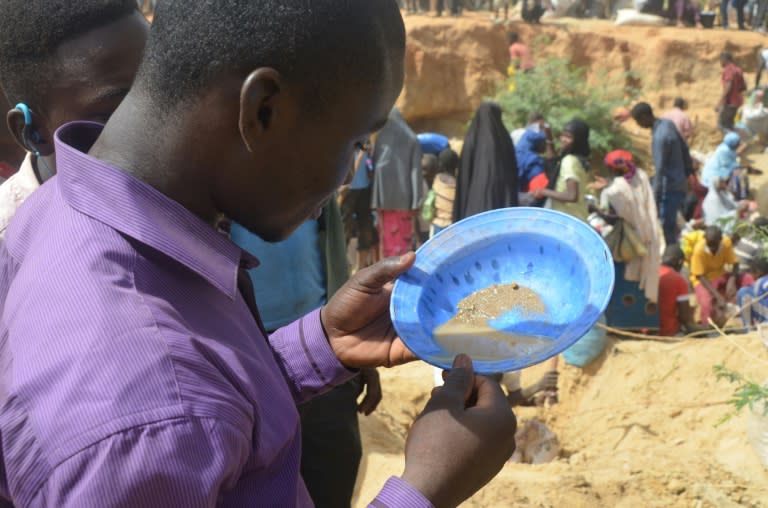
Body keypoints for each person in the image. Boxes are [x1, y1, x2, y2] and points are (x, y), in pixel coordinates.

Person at [0, 1, 517, 506]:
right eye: (355, 141)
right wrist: (426, 490)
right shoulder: (149, 420)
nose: (346, 176)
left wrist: (316, 347)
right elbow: (175, 412)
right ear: (261, 109)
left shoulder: (61, 207)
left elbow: (205, 415)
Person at [230, 201, 378, 508]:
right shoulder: (219, 182)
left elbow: (333, 262)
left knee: (333, 470)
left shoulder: (317, 177)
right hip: (245, 355)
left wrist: (356, 349)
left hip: (326, 351)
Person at [0, 1, 149, 240]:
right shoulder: (9, 252)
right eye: (111, 114)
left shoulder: (188, 190)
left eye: (163, 94)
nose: (155, 124)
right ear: (32, 133)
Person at [593, 150, 661, 303]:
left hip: (632, 241)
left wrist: (594, 209)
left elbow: (613, 218)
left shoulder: (613, 191)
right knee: (646, 277)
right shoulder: (641, 176)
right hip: (651, 234)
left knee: (629, 279)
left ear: (612, 169)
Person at [631, 102, 693, 245]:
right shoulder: (667, 124)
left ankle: (671, 258)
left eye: (638, 121)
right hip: (679, 182)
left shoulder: (660, 137)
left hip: (669, 188)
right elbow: (684, 149)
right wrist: (689, 174)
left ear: (645, 117)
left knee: (667, 227)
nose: (639, 125)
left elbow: (660, 170)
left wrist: (655, 198)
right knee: (674, 224)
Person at [371, 108, 423, 258]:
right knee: (403, 240)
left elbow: (375, 166)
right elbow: (415, 172)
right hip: (405, 201)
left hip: (384, 201)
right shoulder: (412, 139)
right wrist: (416, 201)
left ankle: (388, 276)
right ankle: (402, 274)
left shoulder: (381, 139)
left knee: (387, 240)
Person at [453, 102, 519, 222]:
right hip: (503, 206)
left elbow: (464, 176)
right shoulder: (505, 139)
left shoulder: (472, 139)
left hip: (475, 208)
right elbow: (514, 176)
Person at [533, 119, 591, 222]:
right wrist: (549, 139)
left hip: (569, 220)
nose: (563, 139)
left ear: (578, 140)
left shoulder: (569, 161)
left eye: (568, 137)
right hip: (576, 217)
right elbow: (552, 165)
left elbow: (572, 196)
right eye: (562, 135)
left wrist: (544, 191)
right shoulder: (579, 160)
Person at [690, 226, 750, 326]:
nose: (712, 248)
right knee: (706, 303)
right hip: (703, 279)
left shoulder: (726, 243)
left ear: (720, 240)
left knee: (747, 279)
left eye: (714, 245)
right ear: (705, 238)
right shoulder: (699, 250)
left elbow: (735, 264)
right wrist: (718, 296)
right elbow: (699, 276)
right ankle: (707, 328)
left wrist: (731, 280)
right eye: (710, 245)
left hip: (721, 274)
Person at [341, 140, 380, 271]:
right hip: (346, 189)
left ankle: (360, 269)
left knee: (366, 229)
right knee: (344, 230)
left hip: (364, 189)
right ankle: (340, 269)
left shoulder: (366, 137)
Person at [659, 245, 704, 335]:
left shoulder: (648, 274)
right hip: (668, 332)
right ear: (680, 262)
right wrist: (706, 329)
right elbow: (685, 319)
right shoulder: (679, 281)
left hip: (645, 331)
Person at [429, 148, 459, 237]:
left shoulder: (437, 179)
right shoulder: (457, 185)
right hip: (452, 226)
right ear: (456, 165)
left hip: (436, 224)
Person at [717, 52, 746, 132]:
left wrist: (720, 102)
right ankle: (737, 141)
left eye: (720, 60)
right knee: (731, 124)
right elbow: (743, 87)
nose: (720, 63)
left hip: (729, 103)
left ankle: (735, 140)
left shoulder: (729, 69)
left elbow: (729, 86)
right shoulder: (738, 70)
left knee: (721, 125)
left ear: (725, 60)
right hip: (738, 102)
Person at [737, 257, 768, 326]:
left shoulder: (760, 281)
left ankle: (748, 327)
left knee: (743, 292)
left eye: (751, 272)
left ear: (758, 272)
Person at [515, 128, 549, 193]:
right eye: (544, 141)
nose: (546, 144)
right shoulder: (533, 161)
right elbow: (539, 192)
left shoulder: (515, 154)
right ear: (538, 143)